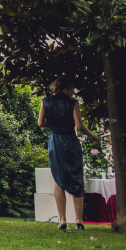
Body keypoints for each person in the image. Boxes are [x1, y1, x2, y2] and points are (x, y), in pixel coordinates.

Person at [39, 74, 99, 231]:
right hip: (70, 140)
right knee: (76, 177)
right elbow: (79, 125)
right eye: (72, 88)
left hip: (55, 142)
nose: (73, 91)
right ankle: (79, 219)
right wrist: (92, 136)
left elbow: (40, 123)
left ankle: (63, 220)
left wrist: (54, 125)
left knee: (58, 179)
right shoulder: (73, 103)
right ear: (66, 88)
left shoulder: (46, 101)